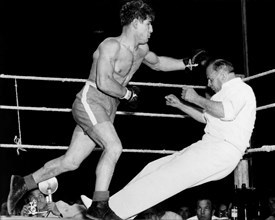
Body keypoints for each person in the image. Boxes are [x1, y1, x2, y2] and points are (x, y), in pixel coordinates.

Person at [6, 0, 209, 219]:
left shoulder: (142, 50)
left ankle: (23, 183)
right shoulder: (110, 46)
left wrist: (187, 63)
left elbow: (158, 63)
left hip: (108, 107)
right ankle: (99, 205)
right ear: (136, 22)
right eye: (148, 24)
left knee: (71, 162)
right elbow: (103, 81)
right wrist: (128, 94)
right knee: (114, 147)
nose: (151, 30)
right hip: (91, 100)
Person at [82, 58, 255, 219]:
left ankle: (113, 213)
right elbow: (206, 118)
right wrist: (180, 105)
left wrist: (196, 98)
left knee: (166, 179)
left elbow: (226, 112)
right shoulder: (225, 94)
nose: (209, 84)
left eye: (210, 79)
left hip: (222, 150)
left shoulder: (241, 89)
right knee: (154, 168)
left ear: (222, 74)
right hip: (210, 147)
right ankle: (107, 206)